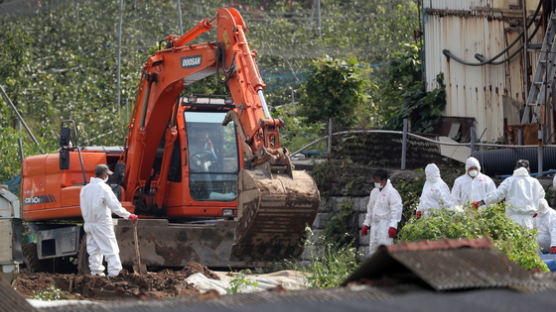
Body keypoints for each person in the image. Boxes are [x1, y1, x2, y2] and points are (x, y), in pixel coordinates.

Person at [80, 164, 138, 277]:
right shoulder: (104, 188)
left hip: (89, 224)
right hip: (102, 223)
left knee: (94, 250)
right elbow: (115, 206)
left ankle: (96, 273)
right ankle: (115, 274)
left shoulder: (85, 189)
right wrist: (129, 215)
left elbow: (83, 207)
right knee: (111, 249)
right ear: (104, 175)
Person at [484, 159, 544, 230]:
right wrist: (537, 211)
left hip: (513, 220)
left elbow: (496, 196)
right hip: (529, 221)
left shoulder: (510, 181)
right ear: (528, 170)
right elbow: (541, 200)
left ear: (515, 169)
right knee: (527, 240)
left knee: (514, 240)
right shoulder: (535, 182)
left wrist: (482, 202)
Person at [361, 169, 403, 255]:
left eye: (377, 181)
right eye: (374, 181)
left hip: (385, 225)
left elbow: (396, 209)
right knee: (373, 248)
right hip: (375, 224)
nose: (375, 183)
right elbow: (370, 209)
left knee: (385, 248)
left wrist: (393, 226)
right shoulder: (374, 192)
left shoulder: (392, 192)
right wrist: (366, 224)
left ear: (384, 180)